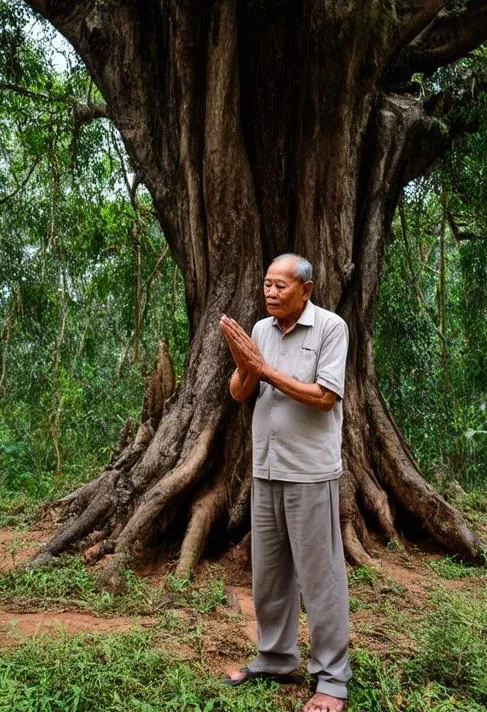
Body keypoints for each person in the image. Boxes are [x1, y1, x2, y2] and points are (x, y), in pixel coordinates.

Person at [220, 253, 351, 712]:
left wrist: (266, 368)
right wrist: (245, 365)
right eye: (266, 285)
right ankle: (274, 658)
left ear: (307, 289)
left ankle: (332, 680)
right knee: (269, 576)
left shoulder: (331, 328)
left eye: (280, 286)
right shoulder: (260, 331)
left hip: (310, 472)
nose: (270, 292)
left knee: (321, 580)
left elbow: (324, 396)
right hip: (267, 468)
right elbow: (241, 392)